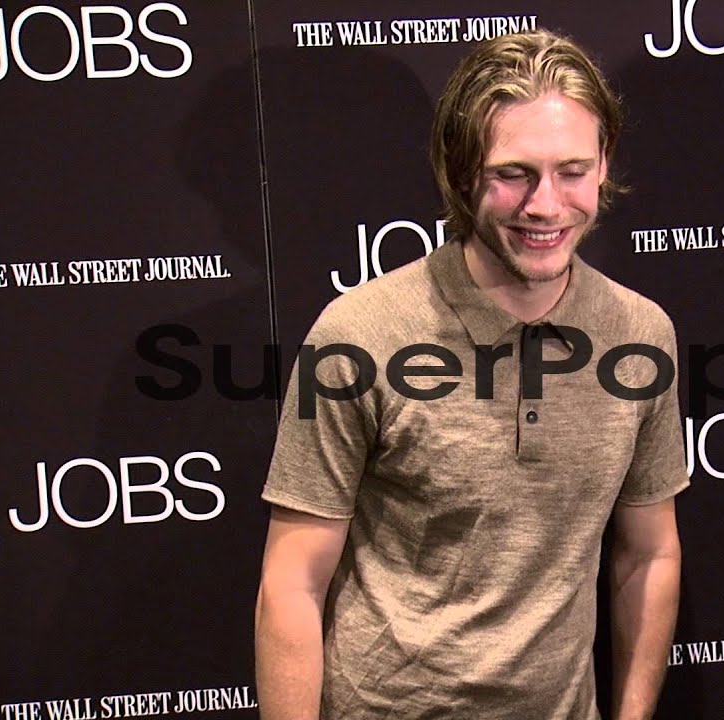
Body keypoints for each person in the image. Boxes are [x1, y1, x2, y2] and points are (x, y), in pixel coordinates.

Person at [255, 30, 688, 720]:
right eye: (513, 174)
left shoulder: (640, 335)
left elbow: (649, 554)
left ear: (604, 166)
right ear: (461, 174)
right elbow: (293, 583)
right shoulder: (360, 334)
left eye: (573, 171)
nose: (545, 206)